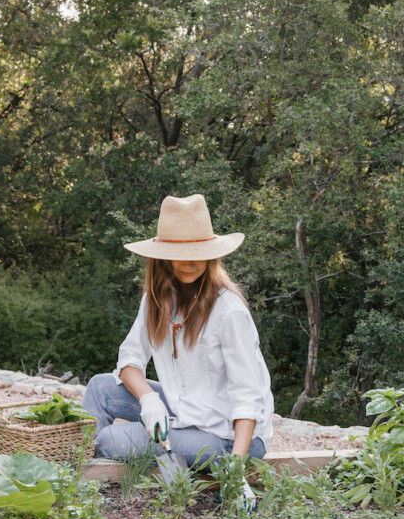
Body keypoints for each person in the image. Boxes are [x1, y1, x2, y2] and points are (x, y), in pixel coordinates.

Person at [82, 194, 274, 479]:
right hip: (183, 408)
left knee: (111, 439)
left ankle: (125, 459)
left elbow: (248, 396)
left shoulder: (228, 311)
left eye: (197, 253)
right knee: (99, 388)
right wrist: (149, 400)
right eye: (179, 253)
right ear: (163, 257)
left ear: (211, 254)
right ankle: (84, 469)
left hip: (227, 435)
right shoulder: (157, 300)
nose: (189, 263)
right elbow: (130, 358)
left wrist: (236, 468)